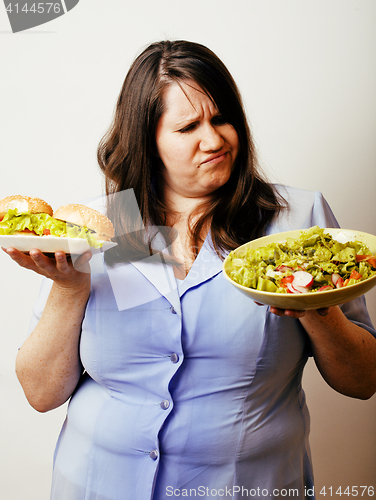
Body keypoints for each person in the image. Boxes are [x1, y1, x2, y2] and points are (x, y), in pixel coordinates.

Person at [5, 40, 376, 500]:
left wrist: (314, 305)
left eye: (222, 119)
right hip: (98, 486)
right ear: (148, 140)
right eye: (188, 127)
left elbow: (363, 380)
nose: (215, 140)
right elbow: (41, 394)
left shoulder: (294, 222)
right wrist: (68, 286)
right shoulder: (104, 228)